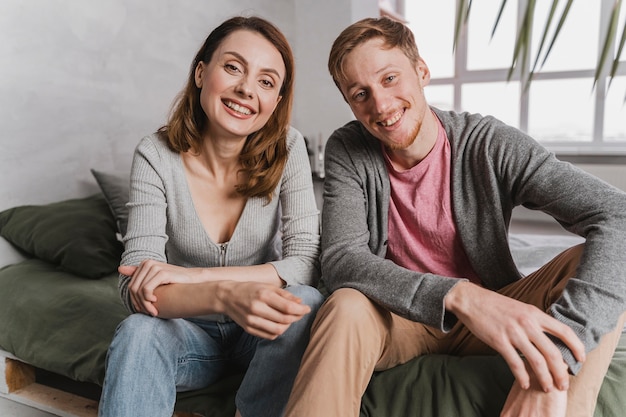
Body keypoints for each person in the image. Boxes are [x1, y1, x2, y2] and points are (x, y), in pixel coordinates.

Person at [284, 16, 626, 417]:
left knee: (596, 258)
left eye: (390, 78)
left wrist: (555, 365)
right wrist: (458, 295)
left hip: (496, 310)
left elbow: (616, 213)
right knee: (344, 305)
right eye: (360, 93)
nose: (380, 104)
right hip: (399, 319)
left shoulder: (488, 144)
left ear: (422, 71)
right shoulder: (349, 148)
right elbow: (341, 260)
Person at [98, 16, 324, 417]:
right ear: (202, 73)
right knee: (138, 332)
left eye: (266, 82)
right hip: (187, 332)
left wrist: (193, 275)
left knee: (304, 302)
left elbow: (306, 262)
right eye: (233, 67)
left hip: (261, 332)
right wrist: (223, 295)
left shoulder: (289, 149)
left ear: (275, 102)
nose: (246, 89)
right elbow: (134, 285)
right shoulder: (155, 154)